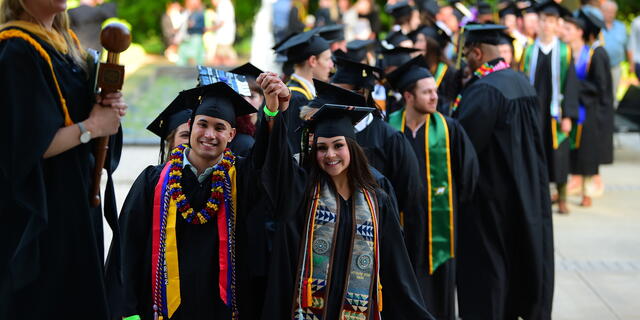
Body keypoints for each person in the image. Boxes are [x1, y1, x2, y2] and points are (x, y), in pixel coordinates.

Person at [118, 75, 293, 319]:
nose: (209, 134)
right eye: (203, 124)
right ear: (191, 125)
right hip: (161, 309)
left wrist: (272, 111)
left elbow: (271, 165)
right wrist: (127, 311)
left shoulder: (241, 178)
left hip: (221, 310)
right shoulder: (153, 181)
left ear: (231, 135)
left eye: (219, 128)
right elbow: (128, 246)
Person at [0, 0, 127, 318]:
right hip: (41, 207)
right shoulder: (16, 49)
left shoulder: (65, 44)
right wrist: (93, 125)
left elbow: (83, 120)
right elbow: (26, 145)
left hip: (74, 201)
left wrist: (106, 107)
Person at [262, 103, 435, 320]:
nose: (330, 155)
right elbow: (276, 161)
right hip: (307, 309)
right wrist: (273, 111)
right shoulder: (303, 195)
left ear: (352, 147)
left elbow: (396, 265)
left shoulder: (377, 200)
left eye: (338, 145)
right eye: (322, 148)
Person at [452, 24, 554, 320]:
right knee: (514, 260)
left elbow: (464, 144)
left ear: (478, 53)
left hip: (490, 196)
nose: (466, 63)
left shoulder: (485, 90)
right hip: (523, 189)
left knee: (489, 268)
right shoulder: (520, 82)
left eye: (468, 56)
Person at [386, 56, 479, 320]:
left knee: (437, 296)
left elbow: (468, 175)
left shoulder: (450, 130)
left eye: (435, 91)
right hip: (400, 228)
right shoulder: (389, 130)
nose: (434, 97)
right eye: (426, 92)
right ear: (408, 96)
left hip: (437, 226)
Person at [520, 0, 579, 214]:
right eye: (543, 20)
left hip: (556, 112)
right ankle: (539, 197)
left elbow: (571, 85)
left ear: (557, 25)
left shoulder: (565, 51)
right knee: (536, 153)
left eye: (551, 21)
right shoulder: (528, 51)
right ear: (538, 23)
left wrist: (568, 116)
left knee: (559, 154)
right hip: (534, 112)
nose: (546, 25)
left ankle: (562, 197)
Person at [562, 9, 613, 207]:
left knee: (586, 152)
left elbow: (600, 87)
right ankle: (568, 187)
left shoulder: (595, 54)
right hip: (573, 106)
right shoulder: (567, 52)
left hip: (588, 110)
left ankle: (587, 191)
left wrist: (574, 88)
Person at [274, 29, 333, 153]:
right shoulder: (296, 98)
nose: (331, 65)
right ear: (312, 61)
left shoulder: (299, 92)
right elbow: (294, 148)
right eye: (327, 59)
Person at [409, 23, 459, 115]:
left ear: (431, 45)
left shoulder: (449, 73)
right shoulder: (416, 70)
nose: (415, 45)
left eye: (420, 41)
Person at [228, 62, 266, 157]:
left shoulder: (267, 129)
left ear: (261, 99)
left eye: (252, 96)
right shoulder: (227, 131)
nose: (246, 101)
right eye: (241, 96)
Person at [146, 92, 193, 163]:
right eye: (185, 135)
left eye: (195, 135)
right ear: (171, 142)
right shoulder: (156, 173)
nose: (191, 141)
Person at [601, 0, 627, 109]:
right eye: (607, 11)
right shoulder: (597, 25)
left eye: (613, 12)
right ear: (602, 11)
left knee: (613, 93)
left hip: (615, 66)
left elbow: (626, 45)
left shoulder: (621, 27)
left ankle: (611, 115)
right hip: (600, 67)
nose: (610, 14)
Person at [177, 0, 205, 66]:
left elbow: (195, 25)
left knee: (194, 58)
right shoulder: (188, 13)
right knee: (184, 59)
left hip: (195, 37)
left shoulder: (199, 14)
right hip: (187, 38)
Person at [211, 0, 237, 66]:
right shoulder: (226, 3)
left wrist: (210, 28)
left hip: (223, 36)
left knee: (225, 59)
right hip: (225, 36)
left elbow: (221, 22)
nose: (212, 2)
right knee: (220, 59)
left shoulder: (223, 4)